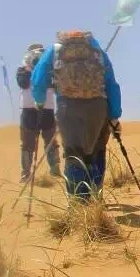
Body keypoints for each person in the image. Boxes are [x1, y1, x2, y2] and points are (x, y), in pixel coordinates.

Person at [31, 31, 121, 201]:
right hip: (97, 107)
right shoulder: (97, 51)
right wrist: (114, 115)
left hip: (68, 106)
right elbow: (111, 84)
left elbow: (38, 77)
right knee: (95, 151)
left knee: (73, 152)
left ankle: (78, 202)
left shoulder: (55, 50)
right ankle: (95, 196)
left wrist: (39, 101)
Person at [16, 43, 62, 182]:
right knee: (27, 143)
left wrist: (48, 70)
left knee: (51, 140)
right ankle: (25, 173)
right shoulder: (22, 70)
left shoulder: (50, 69)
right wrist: (30, 68)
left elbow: (57, 87)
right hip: (29, 109)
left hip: (47, 108)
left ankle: (55, 170)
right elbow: (23, 83)